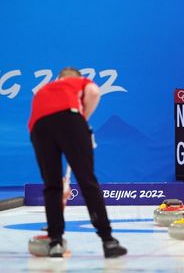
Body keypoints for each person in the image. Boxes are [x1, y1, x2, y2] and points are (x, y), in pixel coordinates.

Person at [28, 67, 127, 258]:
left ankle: (55, 242)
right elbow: (94, 92)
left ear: (58, 78)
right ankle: (108, 241)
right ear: (77, 77)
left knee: (52, 186)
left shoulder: (43, 90)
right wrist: (83, 120)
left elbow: (37, 117)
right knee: (87, 181)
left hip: (38, 129)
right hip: (70, 120)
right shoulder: (79, 82)